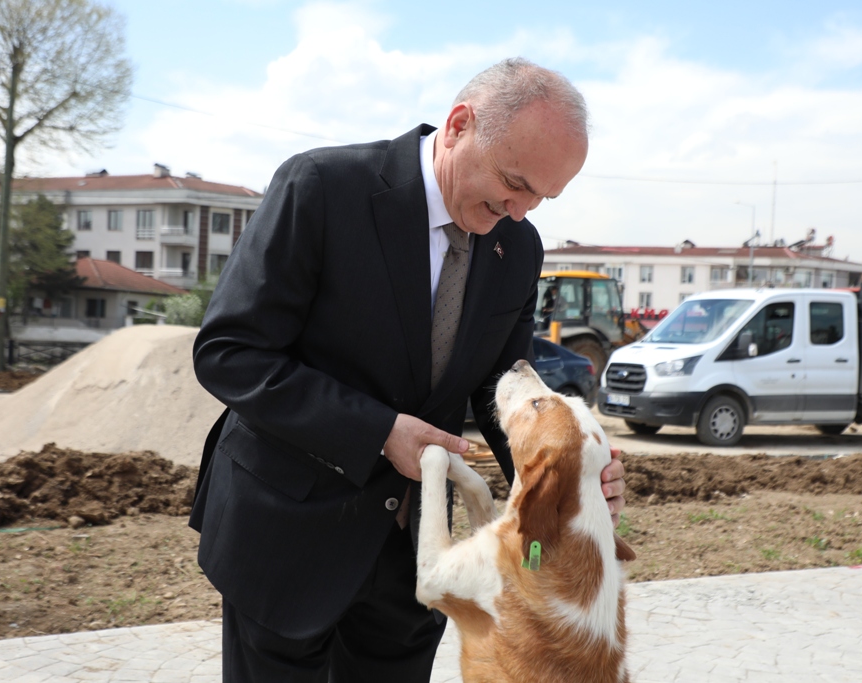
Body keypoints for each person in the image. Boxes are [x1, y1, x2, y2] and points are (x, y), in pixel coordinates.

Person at [189, 57, 627, 682]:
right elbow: (230, 351)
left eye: (541, 197)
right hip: (286, 543)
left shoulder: (517, 247)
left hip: (411, 561)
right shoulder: (320, 187)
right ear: (457, 126)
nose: (521, 210)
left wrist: (567, 481)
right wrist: (378, 431)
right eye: (515, 181)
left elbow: (497, 390)